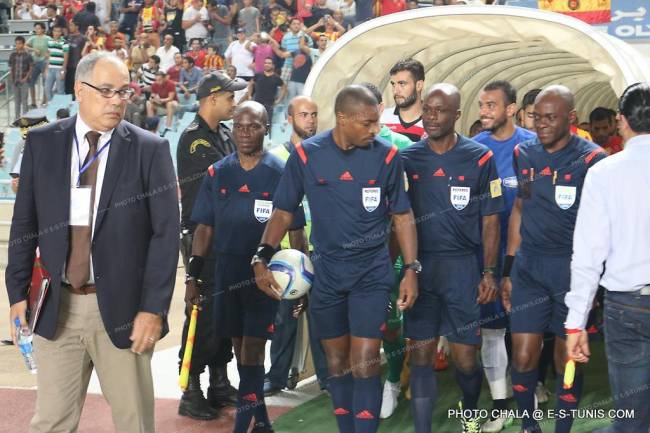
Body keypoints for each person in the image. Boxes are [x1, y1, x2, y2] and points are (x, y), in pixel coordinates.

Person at [6, 51, 179, 433]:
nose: (117, 100)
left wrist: (153, 308)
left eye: (124, 91)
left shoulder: (149, 149)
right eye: (106, 91)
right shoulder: (42, 143)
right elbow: (24, 223)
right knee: (50, 422)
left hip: (122, 310)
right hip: (57, 306)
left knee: (134, 423)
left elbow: (166, 235)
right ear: (79, 90)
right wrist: (17, 292)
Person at [253, 85, 419, 433]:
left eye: (377, 122)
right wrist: (262, 255)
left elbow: (403, 217)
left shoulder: (387, 157)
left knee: (365, 364)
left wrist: (411, 269)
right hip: (326, 272)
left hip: (371, 273)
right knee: (337, 363)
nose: (376, 129)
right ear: (342, 118)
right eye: (367, 122)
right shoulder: (306, 156)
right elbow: (283, 212)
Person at [188, 100, 307, 433]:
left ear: (267, 128)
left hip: (263, 275)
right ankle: (264, 423)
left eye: (253, 126)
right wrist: (192, 276)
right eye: (239, 125)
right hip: (226, 273)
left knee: (253, 349)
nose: (244, 132)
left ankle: (242, 428)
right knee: (242, 353)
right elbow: (204, 228)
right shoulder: (218, 172)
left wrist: (303, 284)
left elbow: (296, 230)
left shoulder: (280, 172)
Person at [501, 85, 607, 433]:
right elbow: (520, 207)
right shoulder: (523, 152)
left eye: (550, 118)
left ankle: (563, 427)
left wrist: (595, 284)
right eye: (536, 118)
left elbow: (605, 225)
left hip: (571, 273)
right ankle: (528, 426)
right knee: (523, 355)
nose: (540, 125)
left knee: (566, 360)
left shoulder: (593, 160)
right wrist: (509, 269)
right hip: (529, 269)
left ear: (571, 119)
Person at [400, 83, 504, 433]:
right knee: (422, 357)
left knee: (465, 359)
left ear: (457, 115)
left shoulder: (480, 158)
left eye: (440, 110)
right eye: (427, 109)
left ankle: (471, 412)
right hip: (421, 268)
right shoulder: (408, 158)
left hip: (462, 268)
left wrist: (489, 272)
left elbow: (491, 220)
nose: (431, 116)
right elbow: (395, 219)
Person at [565, 82, 650, 433]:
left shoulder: (603, 173)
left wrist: (575, 322)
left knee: (630, 417)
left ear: (620, 121)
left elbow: (588, 253)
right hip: (625, 305)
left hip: (626, 306)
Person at [176, 72, 247, 419]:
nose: (235, 103)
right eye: (231, 97)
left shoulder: (223, 133)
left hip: (227, 240)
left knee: (226, 312)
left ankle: (219, 382)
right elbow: (230, 180)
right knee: (201, 314)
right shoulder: (195, 141)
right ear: (212, 98)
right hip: (202, 242)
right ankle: (191, 388)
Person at [473, 80, 536, 433]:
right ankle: (500, 404)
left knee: (527, 328)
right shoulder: (475, 150)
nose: (484, 111)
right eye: (482, 105)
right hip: (487, 256)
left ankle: (531, 381)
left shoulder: (529, 146)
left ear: (511, 109)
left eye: (491, 105)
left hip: (527, 255)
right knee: (492, 329)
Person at [264, 96, 329, 395]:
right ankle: (275, 376)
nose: (311, 120)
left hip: (322, 248)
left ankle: (327, 378)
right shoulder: (276, 156)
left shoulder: (324, 154)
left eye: (314, 115)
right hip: (288, 253)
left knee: (321, 315)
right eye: (304, 114)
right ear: (289, 118)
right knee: (284, 316)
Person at [356, 82, 412, 420]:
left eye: (372, 107)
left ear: (380, 107)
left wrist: (406, 263)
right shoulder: (340, 148)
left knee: (389, 326)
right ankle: (360, 387)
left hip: (388, 256)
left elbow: (405, 211)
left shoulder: (401, 147)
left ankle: (392, 380)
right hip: (351, 258)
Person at [381, 58, 425, 142]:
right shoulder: (381, 119)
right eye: (393, 84)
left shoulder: (433, 123)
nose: (395, 91)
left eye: (402, 84)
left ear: (419, 85)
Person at [248, 57, 286, 128]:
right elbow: (250, 84)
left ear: (273, 66)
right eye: (265, 63)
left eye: (269, 63)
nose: (267, 65)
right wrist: (249, 95)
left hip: (269, 105)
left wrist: (279, 100)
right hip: (257, 104)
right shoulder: (258, 75)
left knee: (267, 126)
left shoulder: (276, 78)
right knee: (254, 124)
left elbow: (284, 88)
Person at [9, 36, 33, 121]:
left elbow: (31, 67)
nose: (17, 45)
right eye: (16, 43)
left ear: (23, 44)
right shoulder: (13, 55)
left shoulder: (27, 55)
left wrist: (26, 78)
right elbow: (11, 67)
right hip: (15, 81)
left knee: (24, 100)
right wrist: (12, 78)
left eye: (19, 43)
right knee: (17, 101)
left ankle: (25, 119)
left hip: (24, 81)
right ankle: (17, 118)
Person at [26, 22, 49, 108]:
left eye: (39, 28)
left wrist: (48, 54)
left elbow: (51, 47)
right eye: (36, 28)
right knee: (31, 82)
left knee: (45, 82)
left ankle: (44, 101)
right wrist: (34, 49)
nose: (37, 30)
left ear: (43, 29)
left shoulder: (47, 38)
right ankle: (33, 102)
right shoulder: (33, 38)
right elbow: (25, 46)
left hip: (44, 62)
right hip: (35, 62)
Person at [64, 20, 85, 96]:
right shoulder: (67, 37)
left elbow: (84, 52)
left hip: (76, 66)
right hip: (67, 66)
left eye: (72, 25)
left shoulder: (82, 38)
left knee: (76, 87)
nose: (70, 27)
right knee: (67, 87)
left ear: (77, 27)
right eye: (69, 25)